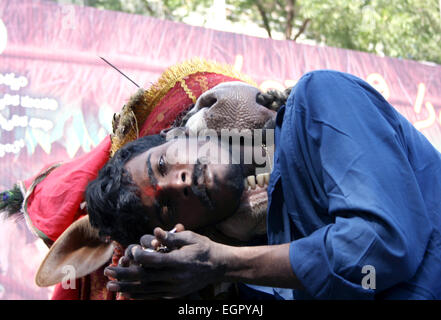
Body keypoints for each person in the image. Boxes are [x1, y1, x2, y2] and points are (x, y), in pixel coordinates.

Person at [103, 70, 441, 299]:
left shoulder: (319, 98)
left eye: (162, 164)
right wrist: (166, 276)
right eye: (167, 206)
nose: (179, 183)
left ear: (179, 135)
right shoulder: (251, 271)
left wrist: (223, 261)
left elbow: (381, 247)